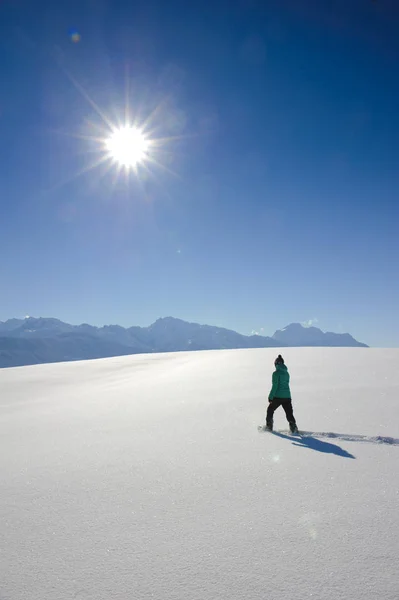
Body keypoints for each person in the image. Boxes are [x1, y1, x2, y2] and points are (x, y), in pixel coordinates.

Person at [266, 354, 298, 433]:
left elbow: (275, 386)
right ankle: (294, 429)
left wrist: (270, 397)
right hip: (287, 397)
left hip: (277, 397)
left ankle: (269, 427)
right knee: (289, 414)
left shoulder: (276, 373)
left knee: (270, 410)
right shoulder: (287, 373)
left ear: (276, 364)